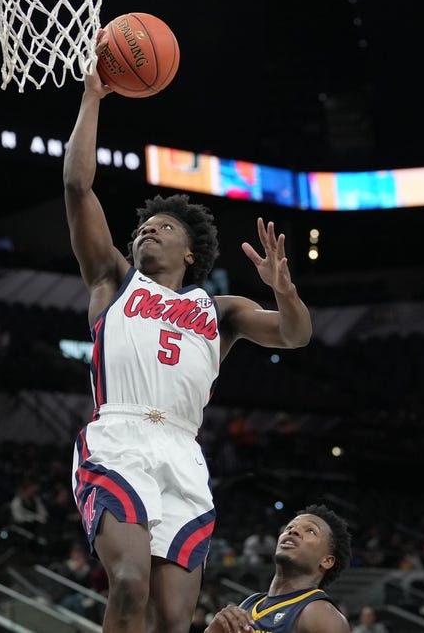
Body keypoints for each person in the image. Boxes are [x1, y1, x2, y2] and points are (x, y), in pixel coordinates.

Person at [64, 71, 313, 633]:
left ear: (191, 248)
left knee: (176, 618)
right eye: (143, 227)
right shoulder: (114, 281)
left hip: (182, 450)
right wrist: (92, 98)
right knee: (128, 583)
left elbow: (296, 335)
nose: (147, 231)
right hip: (119, 438)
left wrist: (285, 289)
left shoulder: (219, 310)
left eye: (163, 225)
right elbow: (78, 188)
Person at [207, 505, 352, 633]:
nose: (293, 531)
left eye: (311, 531)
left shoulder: (320, 613)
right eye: (290, 527)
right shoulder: (249, 604)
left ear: (327, 560)